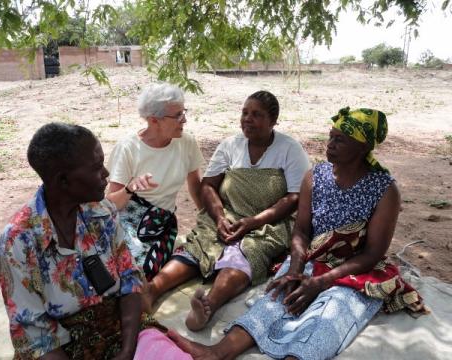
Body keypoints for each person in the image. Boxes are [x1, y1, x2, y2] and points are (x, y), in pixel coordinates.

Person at [166, 107, 427, 360]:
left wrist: (322, 283)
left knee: (327, 320)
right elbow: (301, 230)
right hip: (313, 258)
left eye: (340, 140)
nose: (330, 144)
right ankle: (218, 352)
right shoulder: (316, 176)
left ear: (362, 148)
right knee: (274, 302)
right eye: (330, 136)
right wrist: (296, 270)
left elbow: (372, 253)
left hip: (356, 270)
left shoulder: (384, 190)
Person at [0, 123, 192, 359]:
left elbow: (130, 281)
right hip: (63, 346)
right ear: (63, 181)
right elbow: (35, 336)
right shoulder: (19, 240)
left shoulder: (102, 211)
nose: (107, 174)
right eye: (96, 167)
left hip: (121, 327)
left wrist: (128, 351)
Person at [143, 90, 310, 330]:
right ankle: (152, 289)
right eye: (244, 113)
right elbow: (208, 186)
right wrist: (220, 217)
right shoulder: (231, 145)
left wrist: (252, 222)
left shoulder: (289, 149)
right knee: (198, 246)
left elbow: (294, 197)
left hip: (266, 223)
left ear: (273, 121)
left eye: (256, 114)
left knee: (243, 254)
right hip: (227, 216)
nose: (247, 119)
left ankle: (207, 306)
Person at [106, 82, 204, 281]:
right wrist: (130, 188)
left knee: (144, 270)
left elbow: (195, 186)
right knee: (119, 267)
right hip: (128, 220)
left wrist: (209, 218)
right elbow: (110, 204)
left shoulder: (186, 142)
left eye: (183, 112)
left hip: (161, 222)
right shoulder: (128, 148)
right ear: (154, 120)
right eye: (177, 115)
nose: (184, 119)